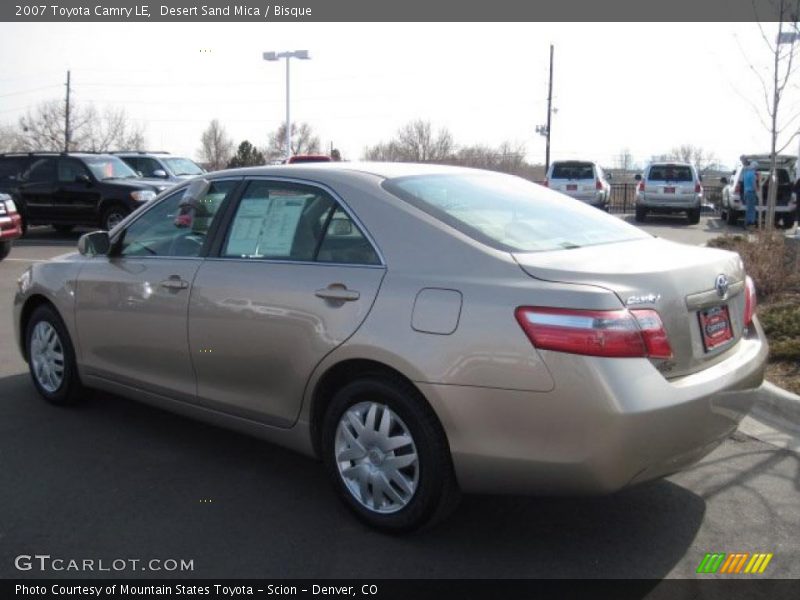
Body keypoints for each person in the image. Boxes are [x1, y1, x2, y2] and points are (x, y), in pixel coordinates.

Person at [742, 159, 759, 230]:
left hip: (746, 192)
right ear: (754, 167)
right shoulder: (752, 174)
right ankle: (751, 223)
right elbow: (754, 184)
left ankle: (747, 223)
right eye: (756, 168)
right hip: (751, 193)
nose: (756, 169)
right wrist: (758, 192)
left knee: (748, 208)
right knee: (752, 209)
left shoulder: (746, 173)